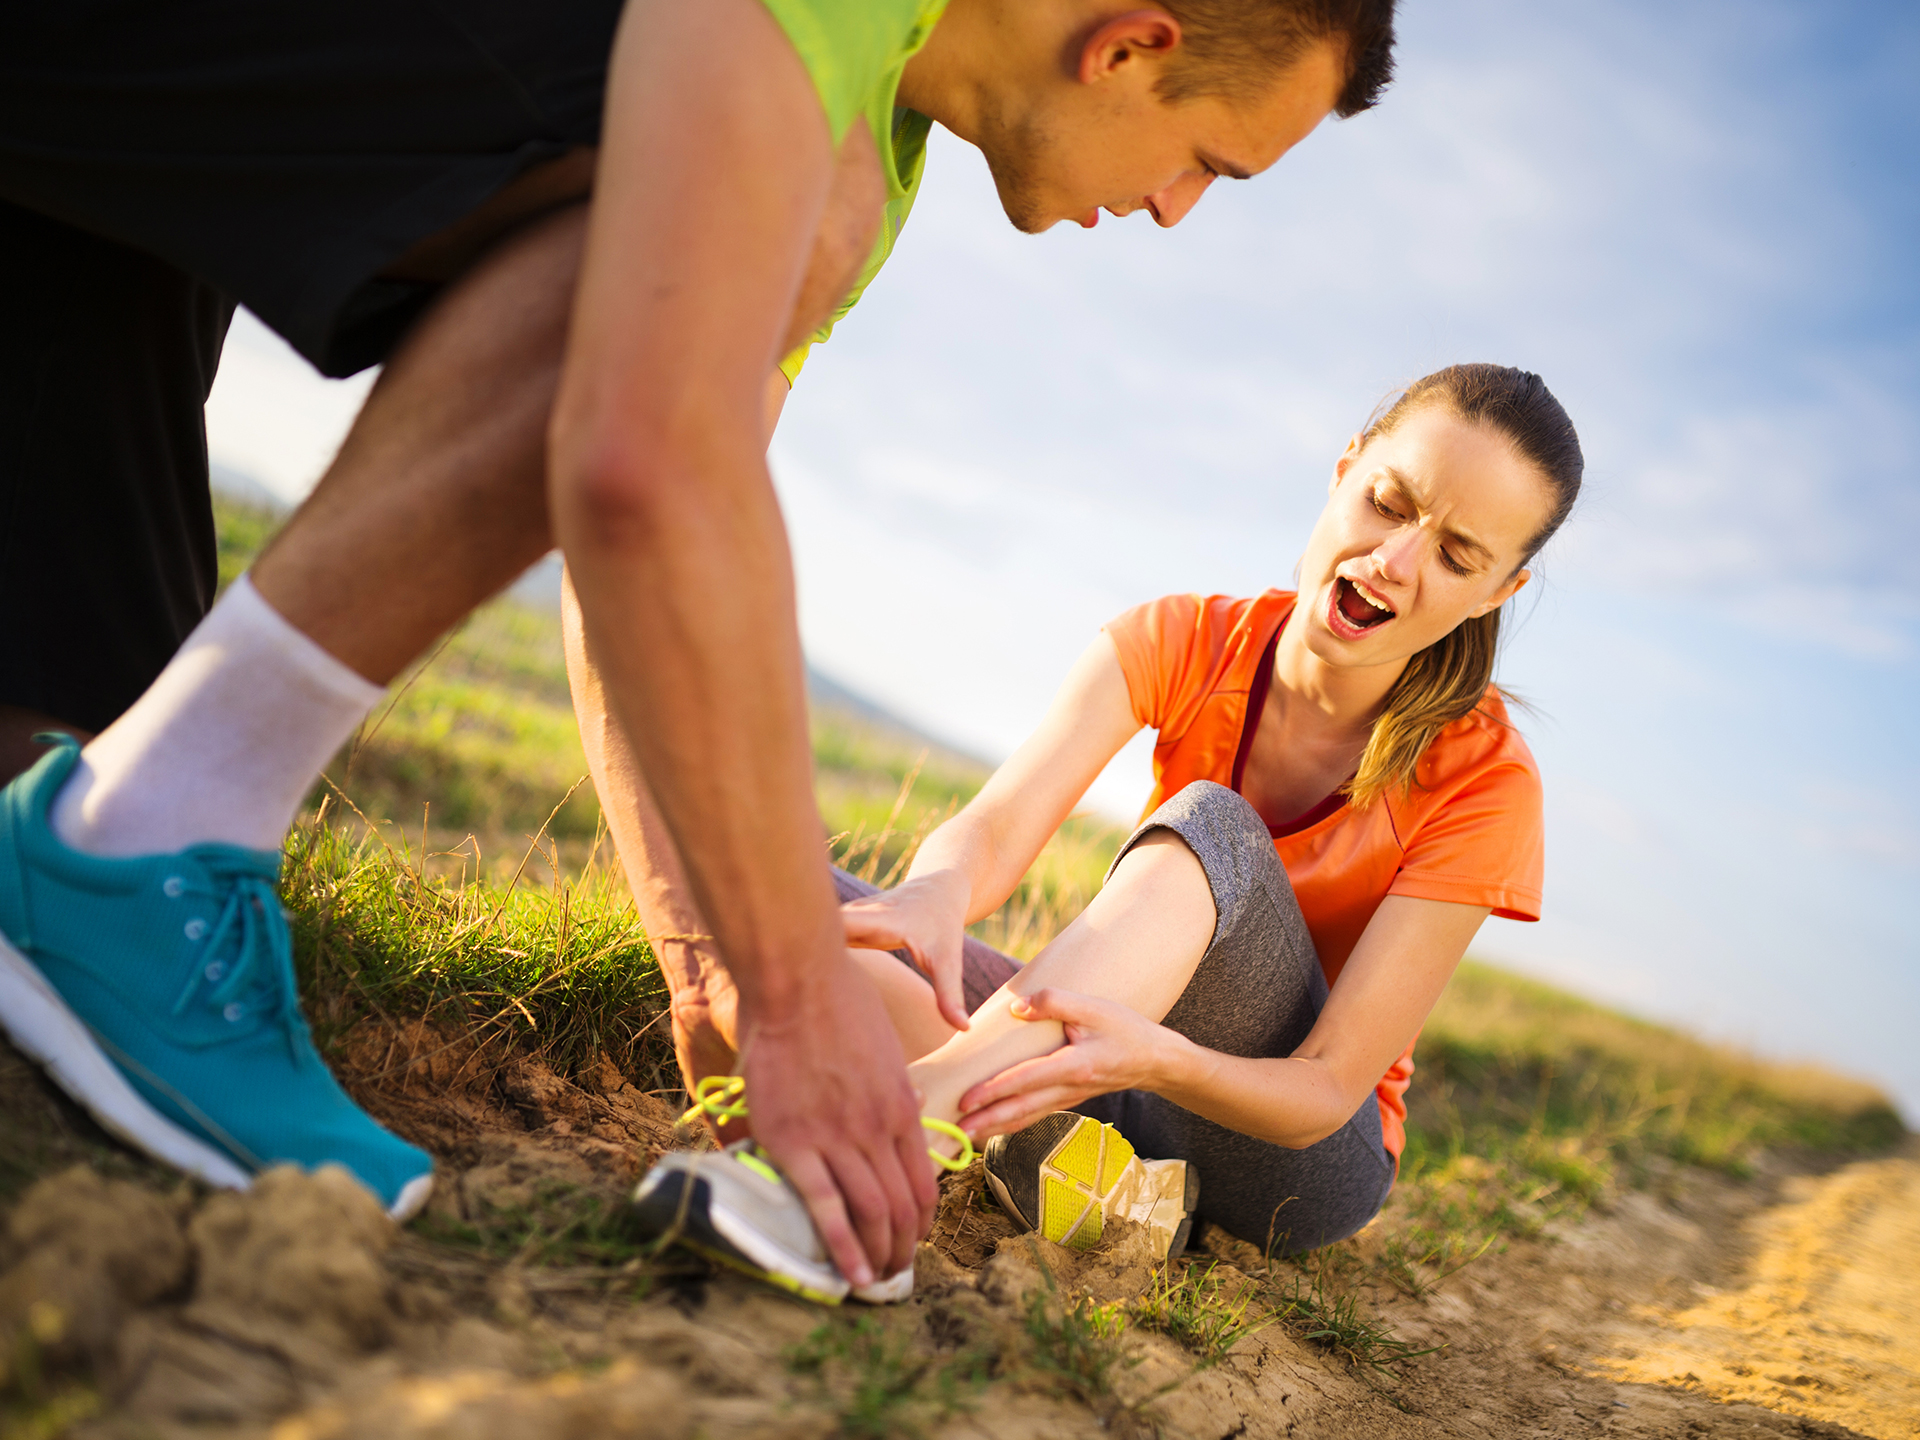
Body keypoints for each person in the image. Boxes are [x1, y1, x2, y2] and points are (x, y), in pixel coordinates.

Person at [0, 0, 1398, 1298]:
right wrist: (786, 995)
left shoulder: (877, 132)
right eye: (1206, 162)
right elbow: (647, 468)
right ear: (1128, 46)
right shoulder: (828, 105)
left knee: (61, 762)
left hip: (93, 182)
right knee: (715, 219)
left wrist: (710, 959)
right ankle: (152, 835)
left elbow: (658, 527)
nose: (1172, 210)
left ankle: (121, 821)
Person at [635, 363, 1582, 1293]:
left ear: (1498, 592)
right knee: (776, 910)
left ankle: (871, 1164)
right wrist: (936, 892)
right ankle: (1092, 1181)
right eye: (1387, 502)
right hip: (1109, 1060)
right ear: (1344, 472)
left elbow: (1325, 1093)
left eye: (1458, 557)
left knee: (1213, 823)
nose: (1397, 561)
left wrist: (1156, 1056)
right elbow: (999, 830)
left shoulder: (1488, 778)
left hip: (1289, 1156)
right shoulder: (1180, 637)